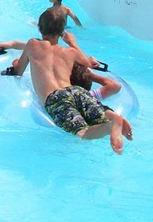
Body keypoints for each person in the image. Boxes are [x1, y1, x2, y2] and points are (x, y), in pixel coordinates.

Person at [11, 9, 132, 153]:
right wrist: (72, 42)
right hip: (77, 91)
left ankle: (109, 126)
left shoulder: (32, 44)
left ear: (40, 28)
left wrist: (15, 64)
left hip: (56, 98)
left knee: (82, 133)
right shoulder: (70, 52)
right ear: (62, 31)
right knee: (95, 113)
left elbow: (18, 70)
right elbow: (88, 62)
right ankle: (111, 116)